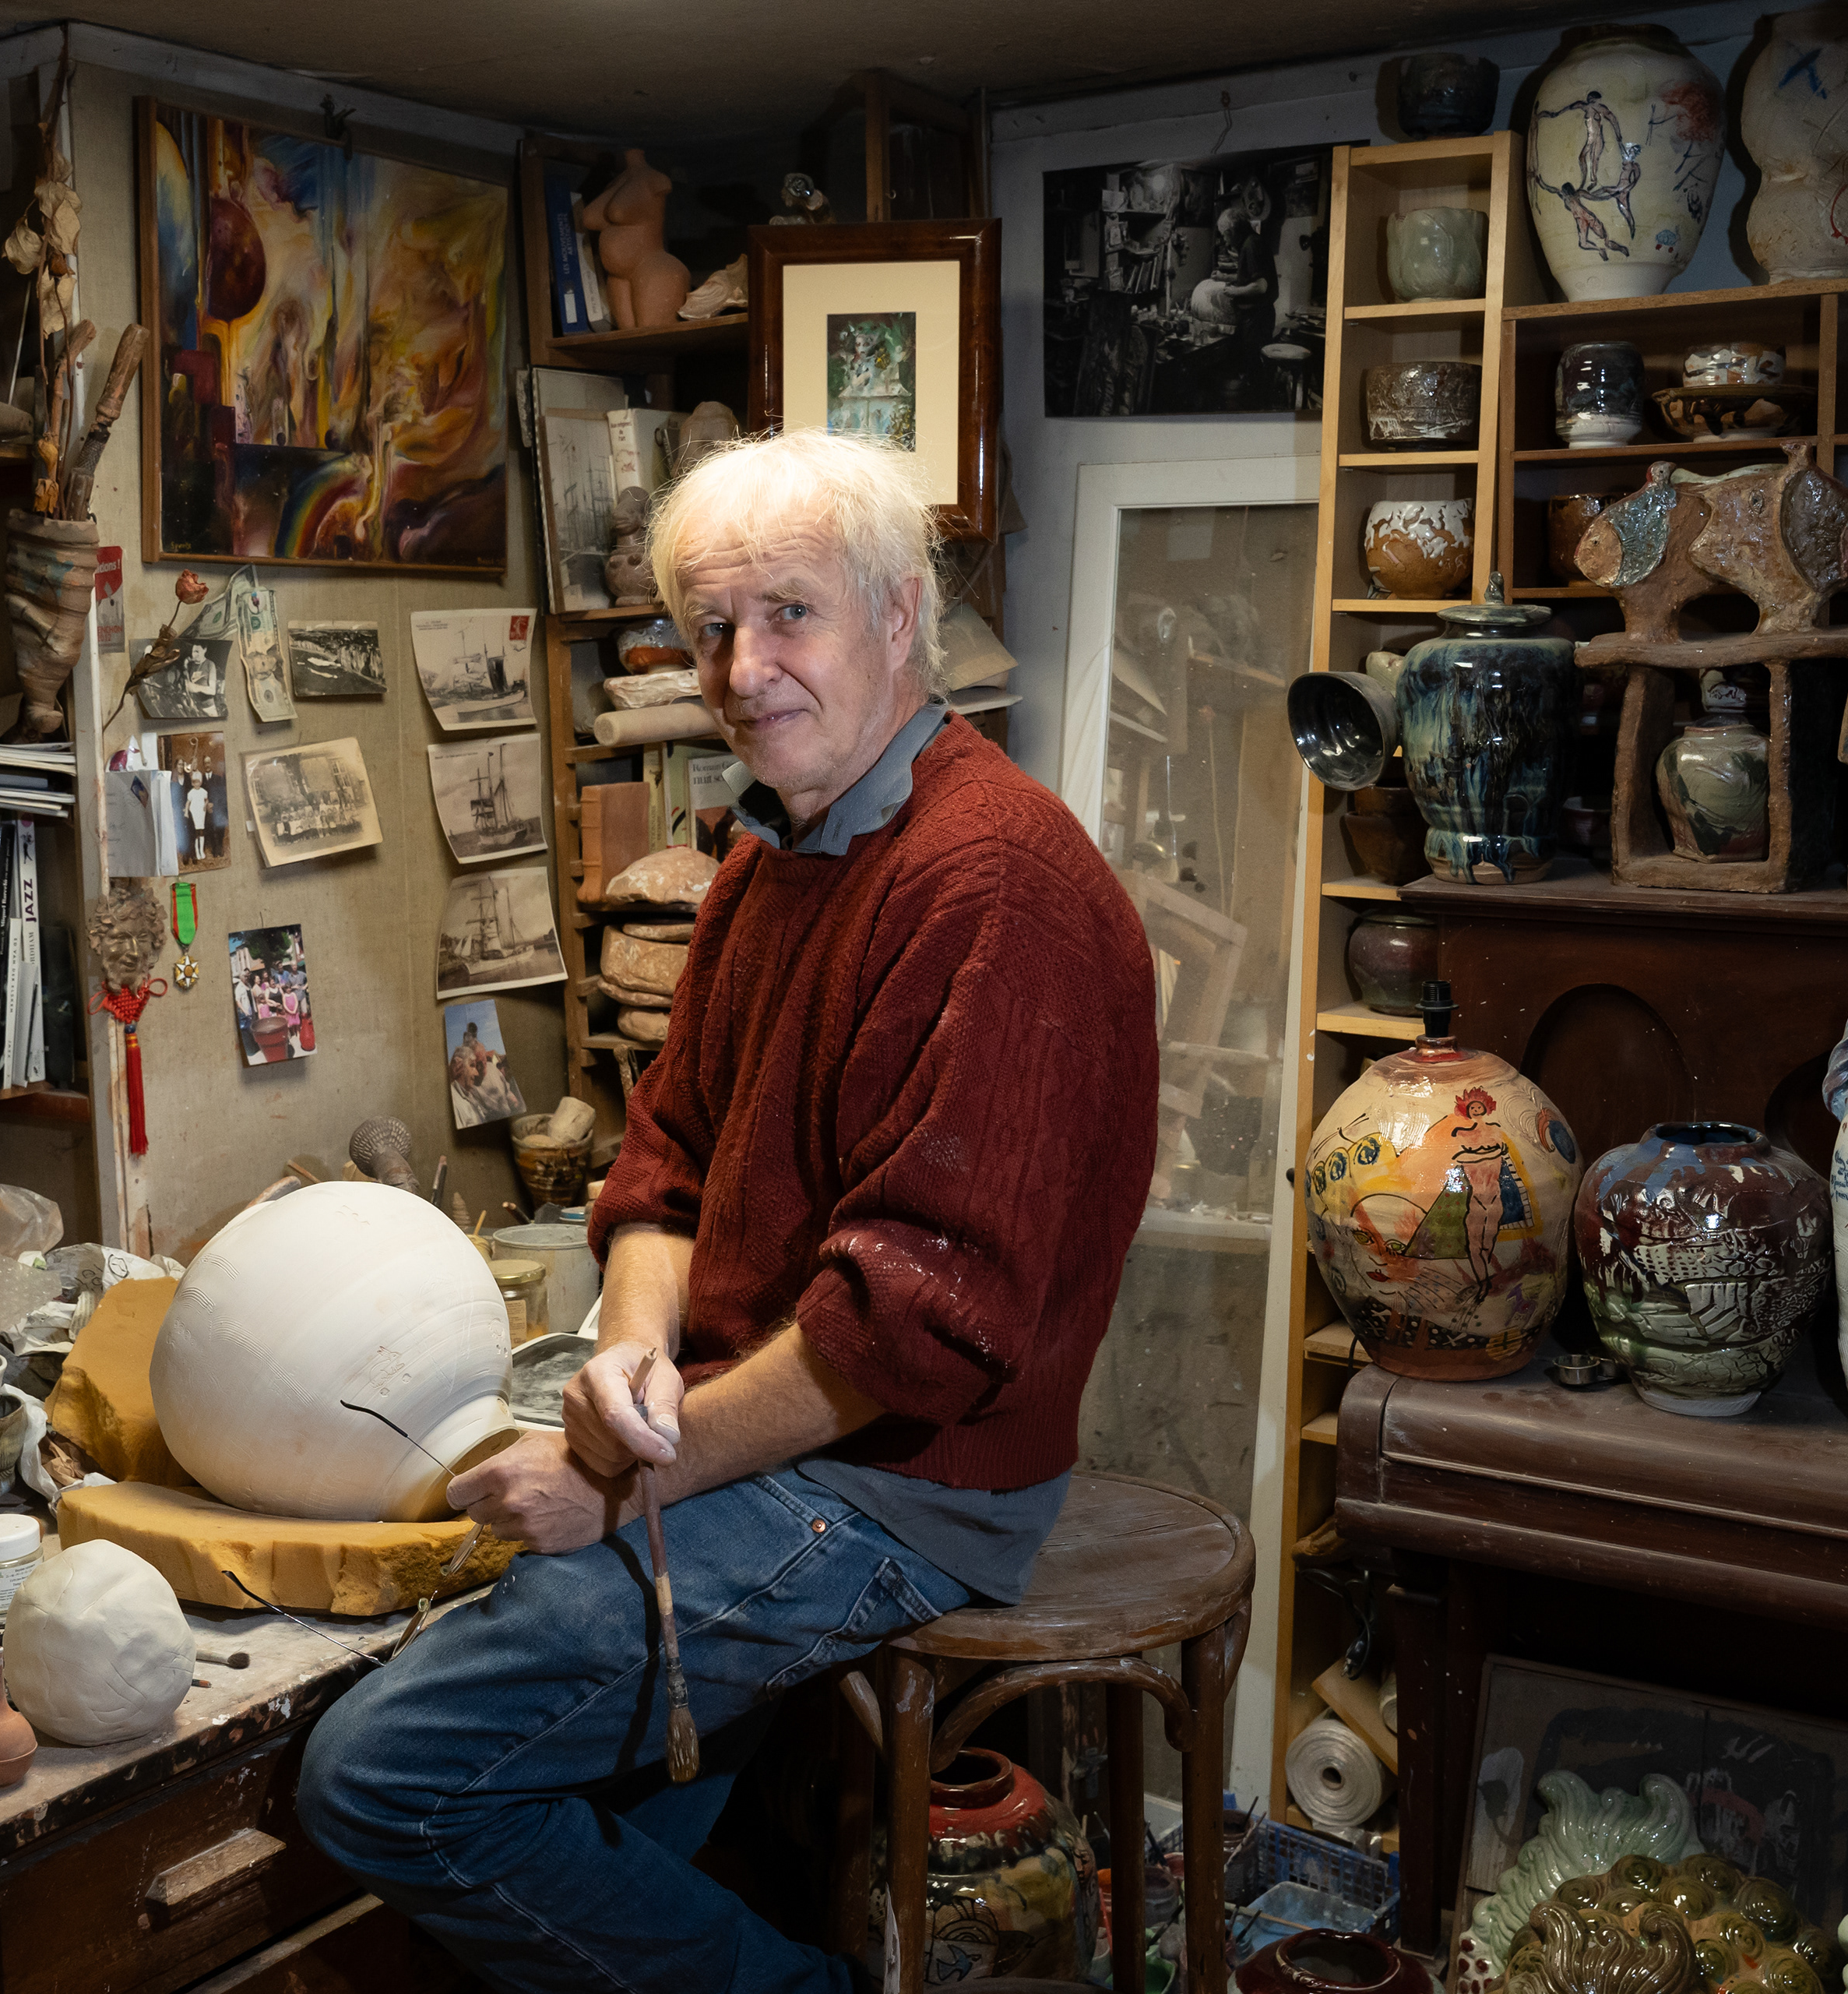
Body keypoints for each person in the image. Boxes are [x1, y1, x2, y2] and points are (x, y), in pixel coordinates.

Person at [299, 429, 1160, 1993]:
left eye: (789, 615)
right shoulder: (780, 856)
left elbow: (911, 1328)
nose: (742, 670)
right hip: (765, 1428)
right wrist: (633, 1352)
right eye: (710, 626)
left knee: (381, 1775)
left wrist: (626, 1478)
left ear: (900, 614)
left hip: (908, 1482)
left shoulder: (994, 885)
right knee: (568, 1822)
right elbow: (670, 1158)